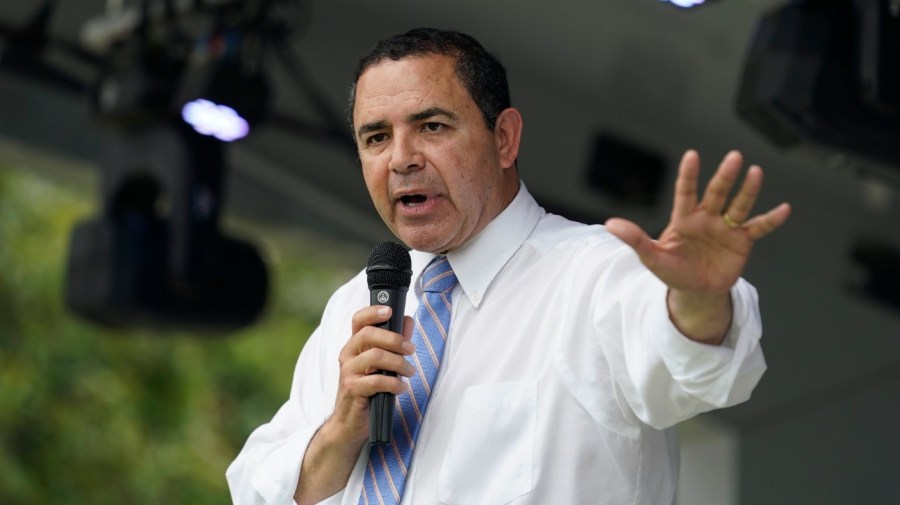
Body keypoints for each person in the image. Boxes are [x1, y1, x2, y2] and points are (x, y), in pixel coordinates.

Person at [226, 27, 791, 505]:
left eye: (432, 126)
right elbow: (256, 487)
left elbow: (699, 373)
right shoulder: (358, 303)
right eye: (376, 137)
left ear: (504, 138)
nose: (401, 158)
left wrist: (697, 300)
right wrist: (342, 431)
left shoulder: (594, 274)